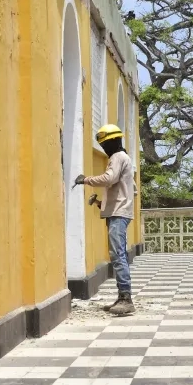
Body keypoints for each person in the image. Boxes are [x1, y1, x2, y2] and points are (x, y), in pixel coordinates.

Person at [74, 124, 137, 315]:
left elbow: (109, 179)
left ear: (111, 142)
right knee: (118, 254)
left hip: (119, 214)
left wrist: (86, 180)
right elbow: (128, 190)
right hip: (118, 213)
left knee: (118, 255)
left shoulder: (118, 157)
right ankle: (122, 297)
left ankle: (126, 299)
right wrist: (102, 203)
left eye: (104, 144)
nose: (104, 149)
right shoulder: (123, 158)